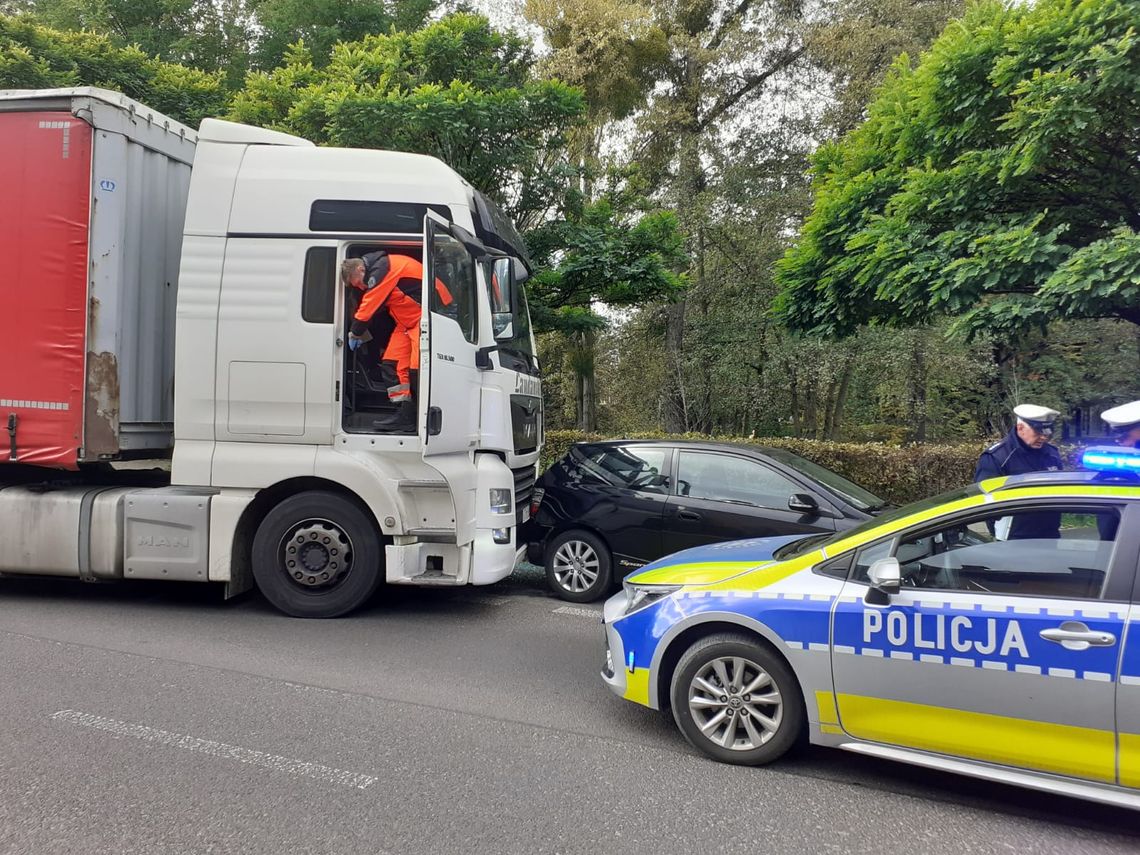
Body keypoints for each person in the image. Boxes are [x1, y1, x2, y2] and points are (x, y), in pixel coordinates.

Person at [342, 251, 452, 432]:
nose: (361, 287)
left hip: (425, 318)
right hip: (408, 323)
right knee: (391, 365)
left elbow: (371, 303)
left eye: (359, 282)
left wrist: (355, 333)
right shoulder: (382, 268)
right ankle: (404, 415)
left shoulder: (383, 270)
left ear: (361, 269)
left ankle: (419, 416)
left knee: (418, 370)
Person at [974, 404, 1063, 539]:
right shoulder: (997, 457)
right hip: (1013, 540)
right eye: (1038, 432)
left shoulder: (1052, 454)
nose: (1044, 437)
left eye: (1047, 433)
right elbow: (985, 503)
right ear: (1020, 428)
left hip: (1049, 536)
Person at [1095, 400, 1140, 539]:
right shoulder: (1115, 470)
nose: (1124, 445)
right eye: (1119, 440)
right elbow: (1109, 533)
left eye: (1126, 437)